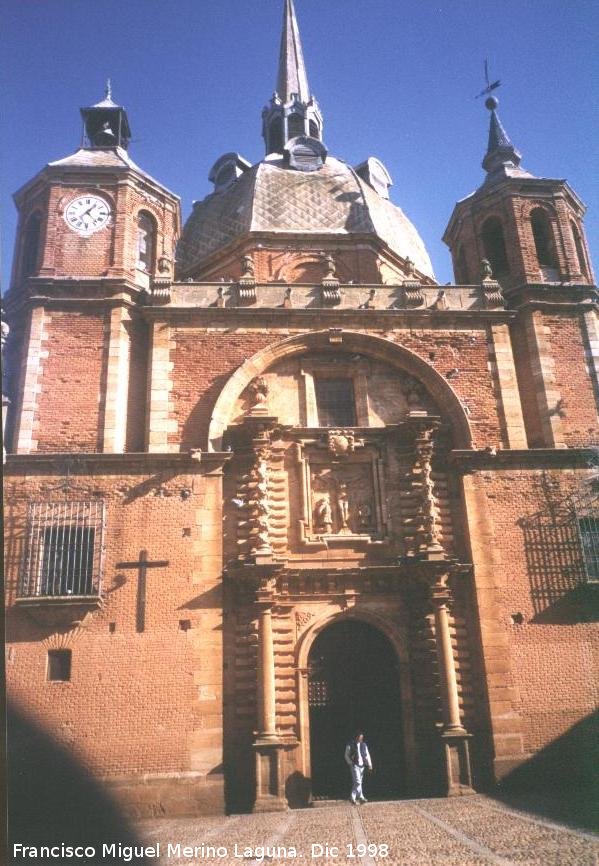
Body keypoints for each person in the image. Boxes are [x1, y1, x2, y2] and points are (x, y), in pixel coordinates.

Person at [344, 731, 372, 804]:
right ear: (356, 737)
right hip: (355, 765)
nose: (361, 739)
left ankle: (354, 798)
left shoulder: (364, 745)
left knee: (358, 782)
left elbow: (367, 755)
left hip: (362, 766)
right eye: (360, 737)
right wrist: (350, 763)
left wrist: (369, 765)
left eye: (362, 737)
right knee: (358, 782)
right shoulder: (350, 744)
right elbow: (346, 755)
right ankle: (359, 797)